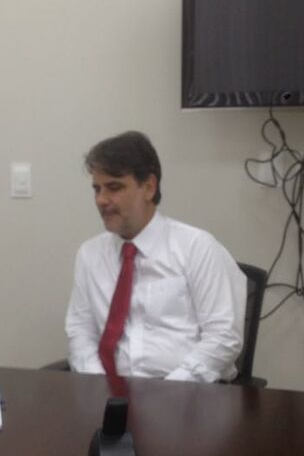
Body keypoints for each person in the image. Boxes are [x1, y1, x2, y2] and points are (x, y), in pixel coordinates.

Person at [65, 131, 246, 383]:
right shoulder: (90, 254)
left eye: (114, 187)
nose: (101, 200)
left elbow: (223, 338)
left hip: (186, 393)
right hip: (110, 393)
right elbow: (81, 332)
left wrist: (167, 392)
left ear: (149, 187)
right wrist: (99, 385)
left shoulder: (197, 247)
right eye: (97, 189)